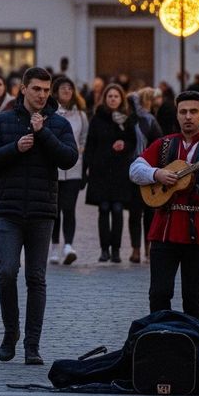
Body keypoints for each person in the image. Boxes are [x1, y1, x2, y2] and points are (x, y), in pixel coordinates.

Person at [0, 67, 78, 365]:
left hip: (42, 210)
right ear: (23, 89)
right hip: (7, 209)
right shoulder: (3, 121)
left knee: (36, 278)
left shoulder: (58, 124)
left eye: (46, 90)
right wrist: (15, 147)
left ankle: (32, 345)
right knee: (7, 271)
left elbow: (69, 158)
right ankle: (11, 332)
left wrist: (42, 133)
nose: (42, 95)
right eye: (36, 89)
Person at [128, 90, 199, 321]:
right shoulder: (164, 144)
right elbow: (135, 169)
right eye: (183, 112)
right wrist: (157, 174)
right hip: (164, 228)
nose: (188, 116)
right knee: (159, 292)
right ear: (177, 115)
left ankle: (195, 346)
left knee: (194, 296)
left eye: (193, 112)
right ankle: (158, 337)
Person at [84, 83, 137, 264]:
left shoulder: (127, 119)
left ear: (121, 99)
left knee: (117, 208)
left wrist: (125, 145)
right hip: (101, 170)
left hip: (120, 171)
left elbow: (133, 141)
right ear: (105, 99)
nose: (113, 99)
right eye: (110, 96)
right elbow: (90, 145)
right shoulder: (97, 119)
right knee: (104, 207)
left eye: (116, 96)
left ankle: (116, 250)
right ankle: (104, 250)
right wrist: (87, 168)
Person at [50, 76, 87, 266]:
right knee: (54, 209)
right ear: (55, 92)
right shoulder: (51, 113)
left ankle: (69, 245)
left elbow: (84, 139)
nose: (67, 91)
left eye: (70, 88)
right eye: (63, 88)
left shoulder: (80, 115)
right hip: (54, 168)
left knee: (69, 208)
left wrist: (79, 151)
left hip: (74, 167)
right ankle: (54, 246)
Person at [126, 88, 164, 263]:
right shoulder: (135, 120)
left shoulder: (149, 120)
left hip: (149, 170)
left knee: (147, 212)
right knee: (138, 212)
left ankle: (146, 248)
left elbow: (159, 145)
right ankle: (137, 248)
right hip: (138, 169)